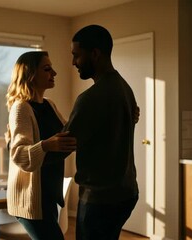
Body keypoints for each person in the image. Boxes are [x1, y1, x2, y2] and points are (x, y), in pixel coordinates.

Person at [63, 25, 139, 240]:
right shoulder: (125, 88)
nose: (73, 63)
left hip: (100, 197)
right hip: (126, 191)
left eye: (76, 55)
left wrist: (26, 151)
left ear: (94, 54)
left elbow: (64, 144)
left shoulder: (90, 98)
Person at [6, 51, 77, 240]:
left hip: (48, 195)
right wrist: (45, 145)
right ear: (30, 75)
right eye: (47, 69)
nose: (54, 73)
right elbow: (19, 155)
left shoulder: (49, 105)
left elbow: (70, 133)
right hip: (30, 200)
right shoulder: (21, 108)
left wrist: (123, 114)